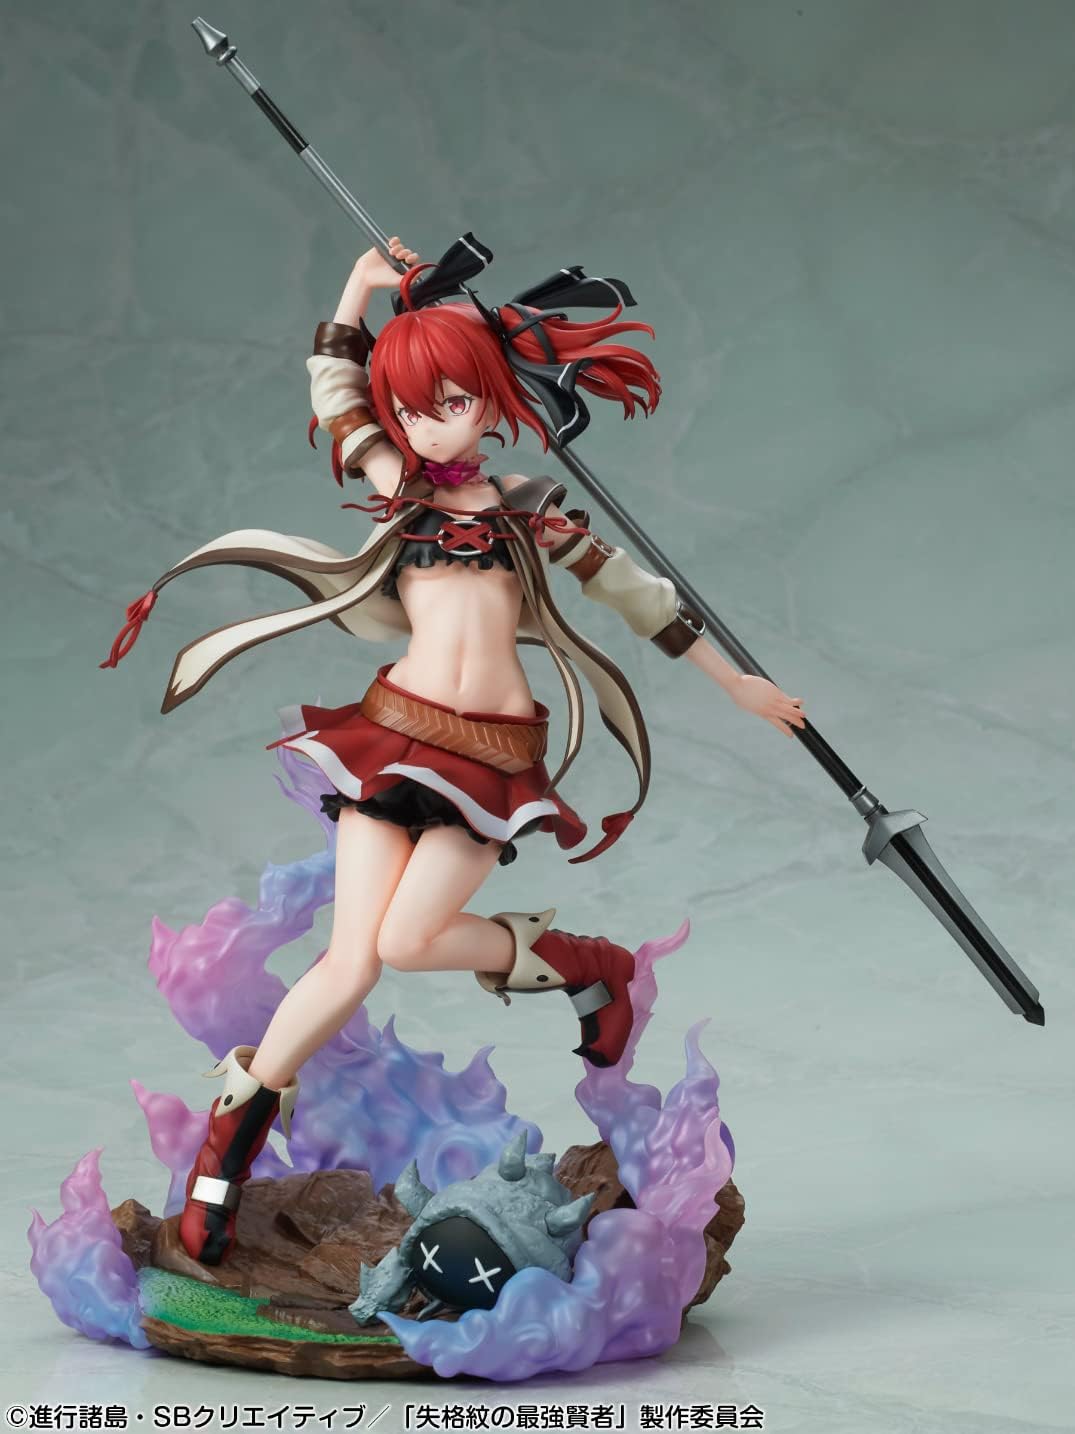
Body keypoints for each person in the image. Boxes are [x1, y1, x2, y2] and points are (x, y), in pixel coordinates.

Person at [102, 234, 805, 1265]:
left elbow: (636, 595)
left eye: (456, 400)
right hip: (392, 735)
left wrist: (733, 681)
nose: (433, 422)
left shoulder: (527, 509)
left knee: (410, 941)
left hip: (487, 756)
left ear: (490, 397)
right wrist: (359, 283)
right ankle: (222, 1165)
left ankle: (586, 965)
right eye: (415, 406)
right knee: (349, 961)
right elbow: (336, 391)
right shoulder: (398, 484)